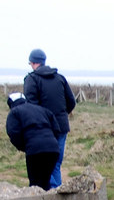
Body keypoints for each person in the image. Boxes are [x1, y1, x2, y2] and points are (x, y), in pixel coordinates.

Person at [23, 48, 75, 189]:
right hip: (62, 126)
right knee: (56, 163)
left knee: (44, 164)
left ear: (33, 63)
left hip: (44, 130)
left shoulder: (31, 80)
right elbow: (71, 102)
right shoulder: (60, 78)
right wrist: (62, 115)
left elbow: (31, 107)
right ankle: (58, 192)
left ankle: (51, 195)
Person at [5, 93, 61, 190]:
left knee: (35, 183)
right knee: (45, 181)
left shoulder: (14, 112)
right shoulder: (42, 109)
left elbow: (13, 133)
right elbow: (56, 129)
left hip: (34, 150)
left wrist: (25, 146)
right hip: (53, 149)